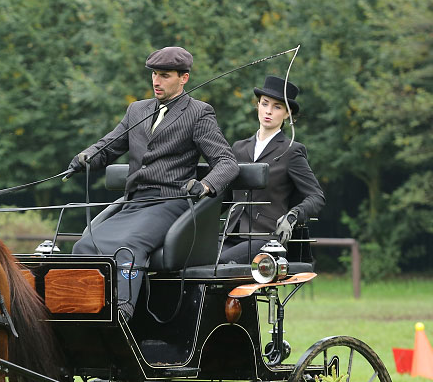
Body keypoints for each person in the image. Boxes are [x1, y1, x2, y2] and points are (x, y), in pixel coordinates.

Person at [67, 46, 239, 320]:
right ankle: (79, 308)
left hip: (170, 203)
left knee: (127, 246)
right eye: (154, 75)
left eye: (165, 75)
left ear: (184, 78)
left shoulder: (198, 113)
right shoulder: (137, 110)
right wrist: (86, 157)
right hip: (134, 203)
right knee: (83, 246)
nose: (156, 81)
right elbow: (109, 146)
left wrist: (204, 186)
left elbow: (227, 163)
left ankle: (122, 313)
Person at [220, 75, 325, 264]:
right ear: (257, 105)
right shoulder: (239, 148)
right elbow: (225, 197)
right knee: (195, 260)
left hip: (267, 238)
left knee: (221, 263)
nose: (268, 111)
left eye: (277, 107)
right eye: (265, 104)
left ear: (287, 114)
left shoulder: (291, 151)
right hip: (231, 234)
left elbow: (316, 196)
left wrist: (293, 216)